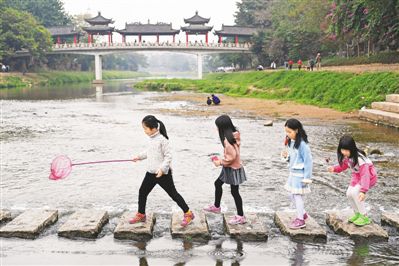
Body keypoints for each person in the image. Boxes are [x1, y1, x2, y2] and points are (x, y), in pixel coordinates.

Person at [130, 115, 195, 227]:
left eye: (145, 128)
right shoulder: (151, 139)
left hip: (163, 174)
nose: (144, 131)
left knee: (173, 194)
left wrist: (162, 169)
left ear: (153, 128)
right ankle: (141, 214)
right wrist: (138, 157)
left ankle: (188, 213)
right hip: (151, 173)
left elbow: (168, 157)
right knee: (142, 192)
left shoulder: (163, 140)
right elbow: (149, 152)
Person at [204, 115, 247, 225]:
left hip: (232, 169)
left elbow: (231, 157)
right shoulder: (234, 135)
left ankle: (241, 216)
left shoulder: (228, 141)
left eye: (218, 127)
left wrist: (220, 162)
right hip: (231, 167)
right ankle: (216, 206)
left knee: (234, 192)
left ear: (222, 128)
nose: (217, 129)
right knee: (218, 184)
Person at [328, 135, 377, 226]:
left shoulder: (359, 159)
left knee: (355, 193)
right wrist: (334, 169)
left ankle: (364, 217)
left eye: (346, 150)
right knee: (349, 193)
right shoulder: (347, 156)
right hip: (357, 176)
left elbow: (365, 175)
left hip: (369, 177)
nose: (344, 152)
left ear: (352, 148)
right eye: (342, 150)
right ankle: (357, 214)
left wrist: (363, 191)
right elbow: (344, 166)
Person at [281, 119, 313, 229]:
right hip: (293, 173)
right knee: (291, 194)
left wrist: (307, 178)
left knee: (297, 196)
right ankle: (303, 213)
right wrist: (286, 157)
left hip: (300, 175)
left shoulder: (303, 145)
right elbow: (292, 158)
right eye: (286, 132)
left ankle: (301, 220)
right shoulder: (291, 142)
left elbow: (308, 161)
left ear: (297, 130)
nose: (288, 134)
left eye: (290, 132)